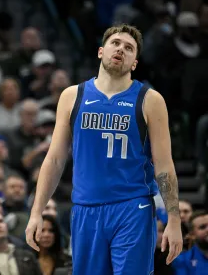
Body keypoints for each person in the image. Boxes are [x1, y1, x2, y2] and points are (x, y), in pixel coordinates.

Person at [25, 24, 183, 275]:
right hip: (86, 209)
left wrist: (174, 220)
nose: (121, 49)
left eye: (129, 48)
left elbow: (164, 165)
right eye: (116, 43)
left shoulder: (150, 100)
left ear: (134, 63)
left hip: (133, 208)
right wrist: (36, 212)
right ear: (101, 51)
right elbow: (54, 160)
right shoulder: (72, 96)